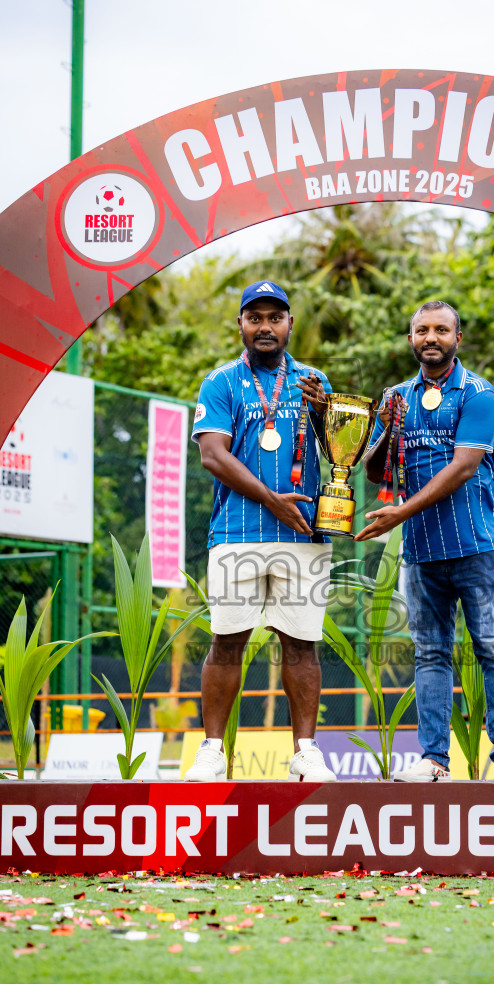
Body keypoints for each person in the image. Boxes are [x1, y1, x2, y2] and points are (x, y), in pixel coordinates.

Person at [356, 300, 494, 783]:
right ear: (411, 338)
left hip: (478, 545)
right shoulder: (396, 397)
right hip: (422, 553)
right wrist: (386, 431)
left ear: (458, 338)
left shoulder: (478, 393)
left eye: (440, 329)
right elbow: (374, 472)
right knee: (430, 655)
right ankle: (434, 761)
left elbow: (463, 467)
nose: (430, 338)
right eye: (421, 330)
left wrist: (400, 514)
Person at [185, 280, 336, 783]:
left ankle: (306, 752)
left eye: (275, 317)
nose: (265, 327)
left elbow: (340, 453)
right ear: (241, 325)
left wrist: (325, 413)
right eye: (255, 318)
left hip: (302, 535)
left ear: (290, 323)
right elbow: (213, 455)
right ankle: (211, 751)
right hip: (237, 532)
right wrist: (272, 500)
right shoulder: (220, 382)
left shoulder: (314, 381)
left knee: (302, 644)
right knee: (227, 642)